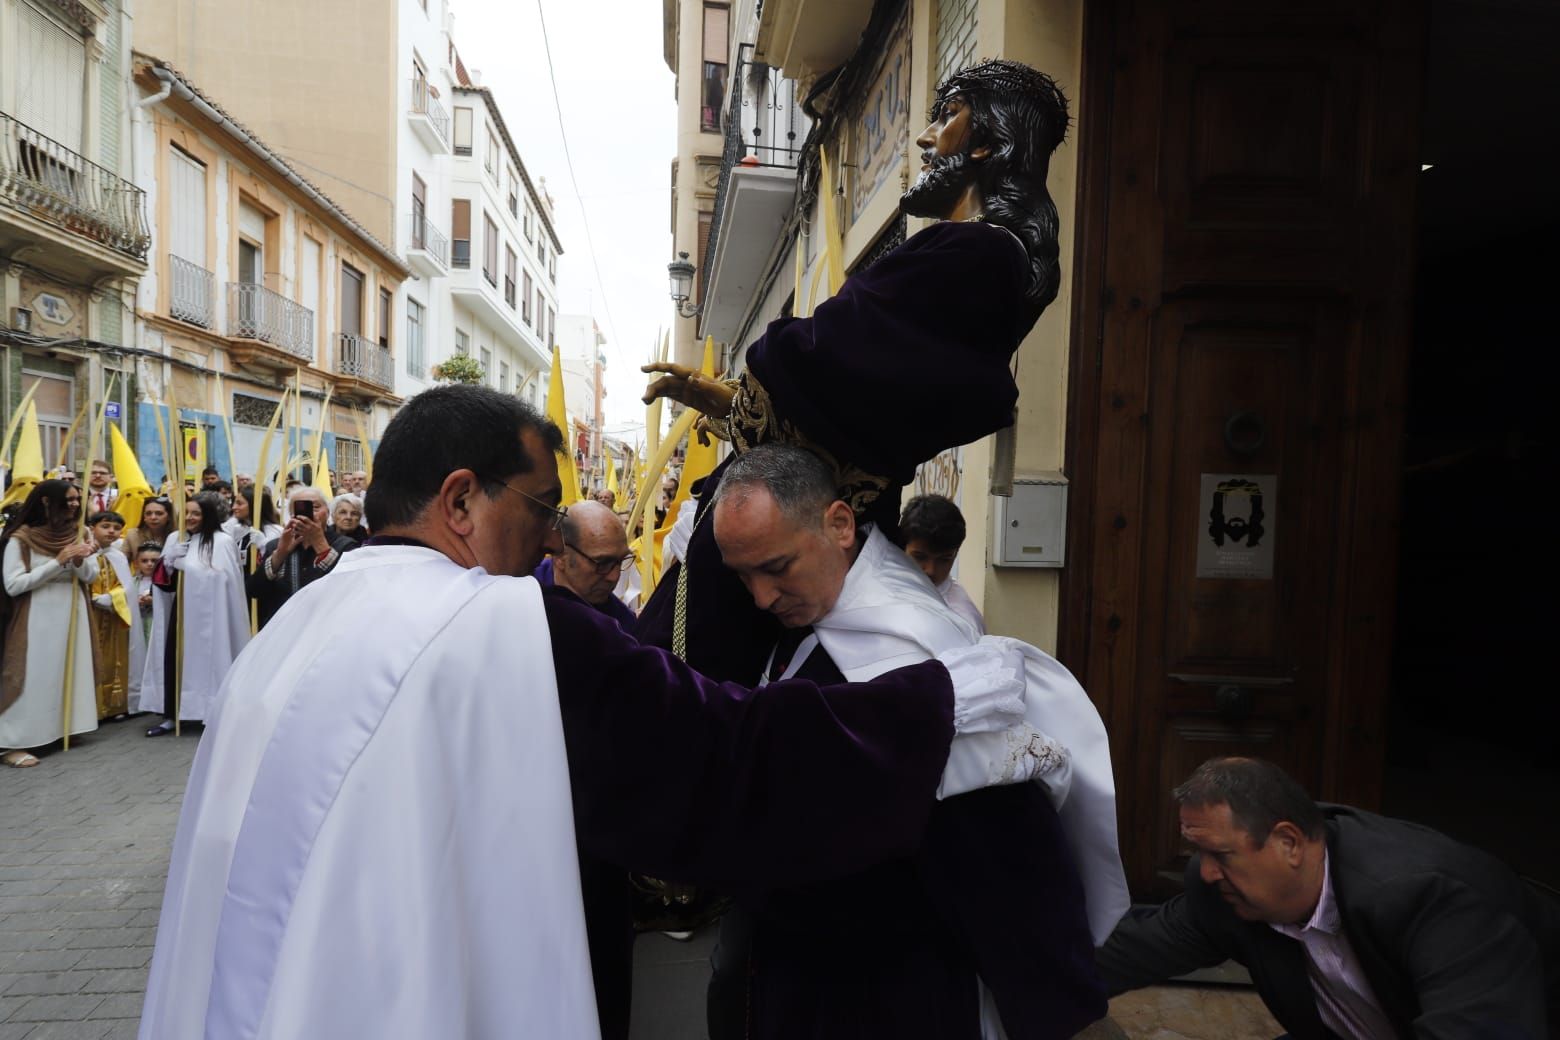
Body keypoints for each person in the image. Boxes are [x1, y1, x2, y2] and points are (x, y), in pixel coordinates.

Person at [138, 385, 1041, 1040]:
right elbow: (717, 755)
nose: (548, 533)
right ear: (460, 500)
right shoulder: (497, 623)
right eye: (540, 506)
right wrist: (930, 707)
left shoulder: (297, 622)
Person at [638, 58, 1072, 687]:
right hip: (819, 512)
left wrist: (754, 387)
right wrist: (735, 399)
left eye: (947, 118)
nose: (926, 139)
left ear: (985, 141)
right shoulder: (978, 256)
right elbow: (844, 379)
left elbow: (823, 357)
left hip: (798, 517)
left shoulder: (973, 254)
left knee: (685, 692)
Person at [702, 444, 1115, 1040]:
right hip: (802, 961)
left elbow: (1003, 847)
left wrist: (1057, 1004)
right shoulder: (819, 610)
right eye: (744, 577)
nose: (762, 597)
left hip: (884, 987)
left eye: (776, 567)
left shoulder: (918, 655)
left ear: (839, 525)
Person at [1097, 757, 1560, 1039]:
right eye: (1198, 850)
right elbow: (1122, 954)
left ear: (1290, 842)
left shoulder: (1431, 896)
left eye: (1220, 853)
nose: (1206, 869)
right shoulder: (1221, 890)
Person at [0, 480, 99, 766]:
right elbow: (14, 584)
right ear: (46, 502)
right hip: (37, 616)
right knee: (33, 676)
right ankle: (11, 742)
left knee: (68, 671)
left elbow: (90, 577)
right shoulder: (22, 538)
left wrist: (80, 561)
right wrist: (58, 561)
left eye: (76, 499)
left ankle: (60, 729)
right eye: (67, 500)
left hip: (72, 611)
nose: (74, 504)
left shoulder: (79, 532)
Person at [144, 493, 249, 736]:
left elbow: (222, 578)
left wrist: (188, 566)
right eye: (187, 512)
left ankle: (211, 712)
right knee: (174, 660)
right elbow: (162, 582)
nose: (189, 518)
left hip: (212, 617)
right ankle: (172, 714)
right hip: (182, 613)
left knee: (212, 661)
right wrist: (169, 561)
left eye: (196, 513)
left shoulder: (221, 541)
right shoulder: (176, 538)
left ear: (208, 515)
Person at [245, 486, 356, 628]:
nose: (310, 513)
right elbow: (254, 591)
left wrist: (319, 543)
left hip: (326, 628)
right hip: (282, 629)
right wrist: (279, 555)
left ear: (328, 512)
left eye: (315, 507)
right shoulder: (277, 545)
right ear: (292, 515)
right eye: (301, 509)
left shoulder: (346, 546)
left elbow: (348, 589)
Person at [534, 500, 635, 630]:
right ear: (560, 556)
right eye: (602, 563)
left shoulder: (623, 623)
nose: (614, 577)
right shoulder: (522, 596)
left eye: (620, 561)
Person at [899, 493, 985, 634]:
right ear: (902, 548)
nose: (931, 570)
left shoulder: (964, 622)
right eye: (920, 557)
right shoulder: (881, 587)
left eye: (944, 559)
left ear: (956, 553)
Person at [85, 509, 136, 720]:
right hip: (90, 615)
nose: (111, 531)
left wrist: (113, 597)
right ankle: (91, 709)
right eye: (105, 526)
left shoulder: (118, 557)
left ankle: (113, 706)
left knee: (113, 659)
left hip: (113, 616)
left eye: (116, 528)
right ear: (92, 528)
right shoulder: (84, 554)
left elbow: (127, 586)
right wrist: (95, 596)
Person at [130, 541, 161, 711]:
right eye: (145, 560)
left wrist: (154, 600)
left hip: (154, 624)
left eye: (154, 561)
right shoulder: (132, 582)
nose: (149, 564)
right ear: (136, 562)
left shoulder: (163, 582)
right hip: (137, 625)